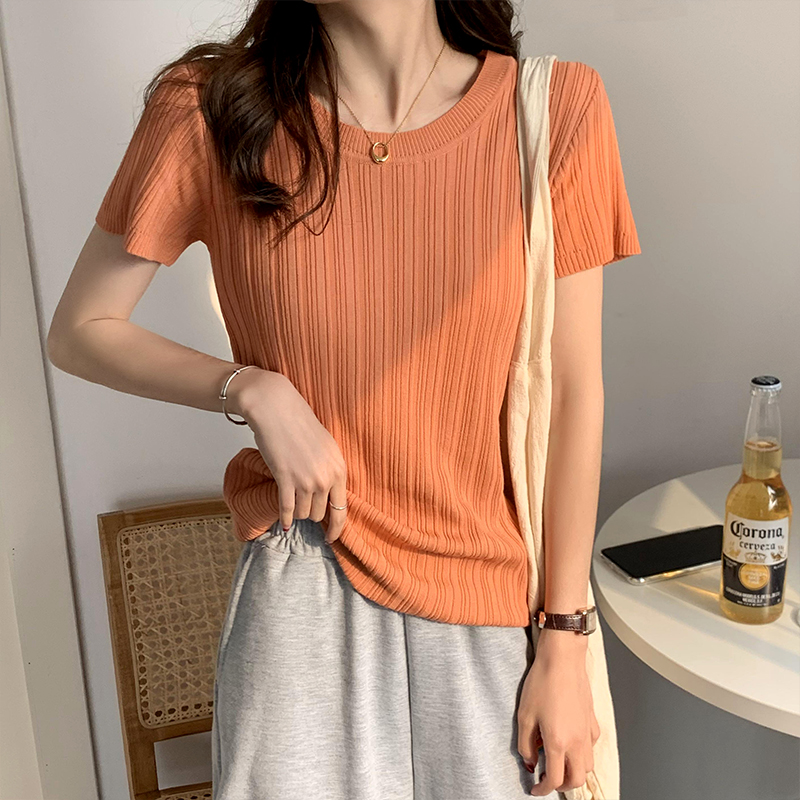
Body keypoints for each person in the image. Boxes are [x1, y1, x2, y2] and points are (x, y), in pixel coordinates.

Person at [47, 1, 641, 798]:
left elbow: (571, 394)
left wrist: (565, 640)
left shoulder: (551, 111)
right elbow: (81, 329)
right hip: (303, 593)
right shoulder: (209, 109)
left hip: (495, 604)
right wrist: (249, 388)